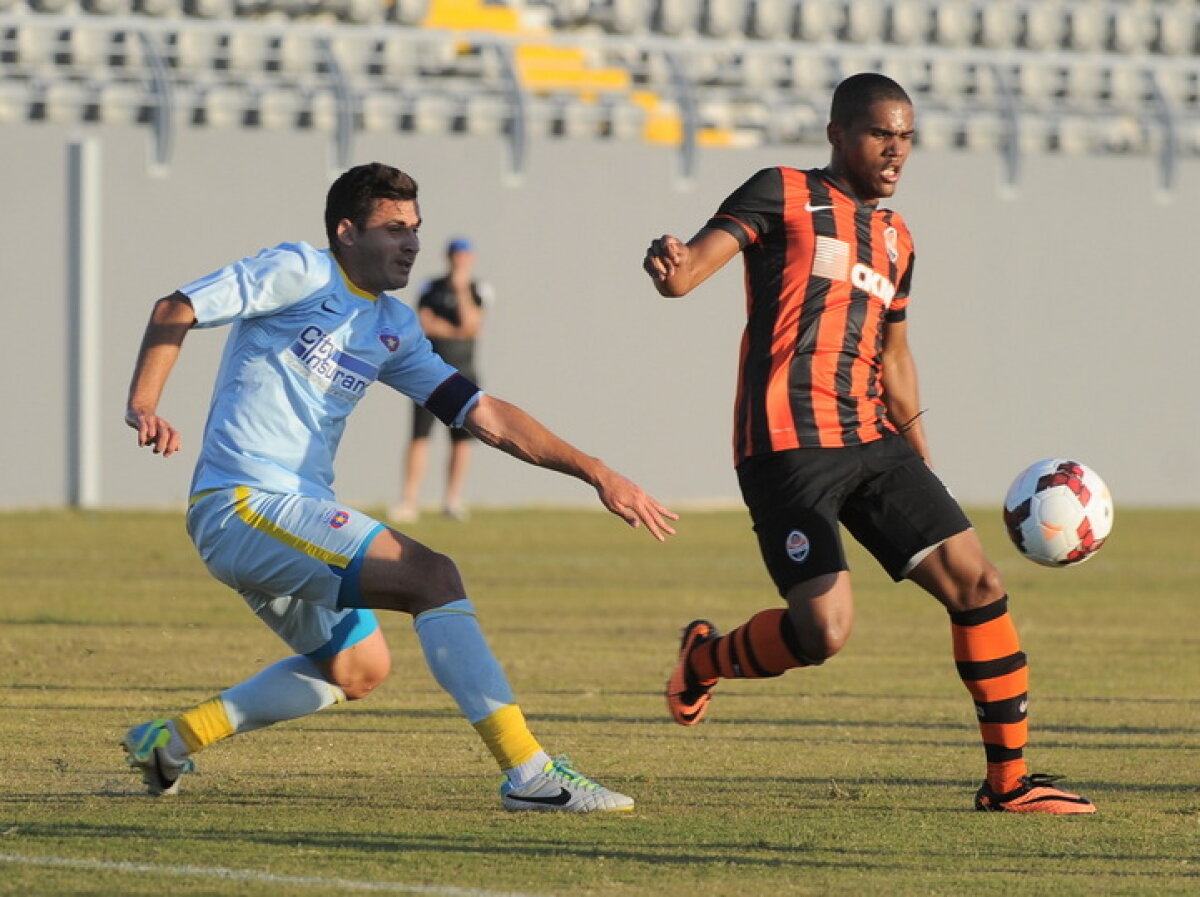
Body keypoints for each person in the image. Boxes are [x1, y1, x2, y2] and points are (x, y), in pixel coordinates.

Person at [122, 161, 677, 813]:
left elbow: (486, 415)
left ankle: (171, 741)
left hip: (289, 513)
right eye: (394, 228)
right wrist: (144, 404)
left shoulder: (393, 327)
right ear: (347, 231)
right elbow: (177, 307)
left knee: (357, 667)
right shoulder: (302, 270)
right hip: (245, 503)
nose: (411, 242)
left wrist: (598, 471)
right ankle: (530, 774)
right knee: (433, 576)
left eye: (415, 227)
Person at [643, 73, 1095, 815]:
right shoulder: (781, 191)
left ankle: (1008, 783)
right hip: (787, 444)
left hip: (876, 440)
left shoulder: (897, 238)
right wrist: (671, 268)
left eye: (906, 137)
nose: (895, 151)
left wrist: (920, 463)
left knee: (977, 582)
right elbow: (689, 271)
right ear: (837, 134)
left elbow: (895, 359)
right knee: (824, 632)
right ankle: (703, 659)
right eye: (881, 134)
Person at [391, 237, 493, 523]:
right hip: (430, 374)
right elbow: (424, 323)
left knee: (461, 440)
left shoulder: (477, 289)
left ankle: (452, 499)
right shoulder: (431, 287)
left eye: (464, 255)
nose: (459, 260)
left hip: (464, 373)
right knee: (419, 436)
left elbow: (472, 325)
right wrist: (454, 329)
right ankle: (409, 500)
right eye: (455, 255)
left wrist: (461, 290)